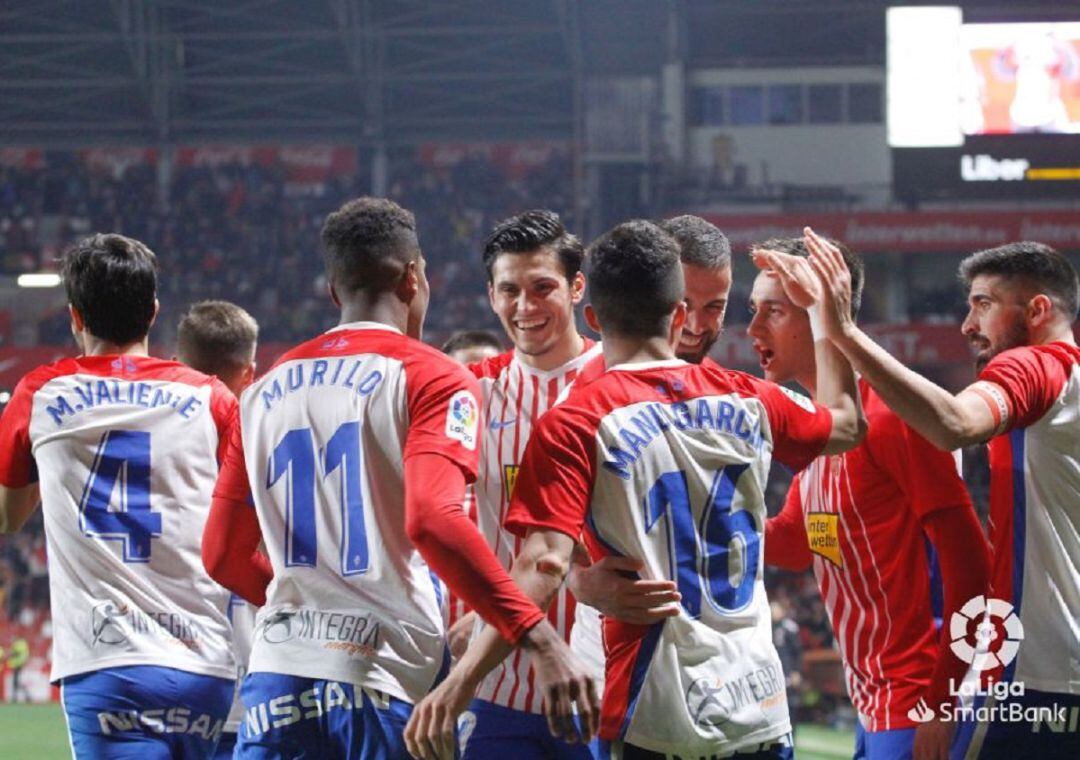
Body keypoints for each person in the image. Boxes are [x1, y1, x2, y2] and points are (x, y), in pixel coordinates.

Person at [406, 219, 866, 759]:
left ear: (594, 316)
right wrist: (829, 320)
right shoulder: (752, 398)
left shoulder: (576, 419)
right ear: (675, 314)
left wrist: (457, 685)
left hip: (653, 713)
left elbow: (543, 566)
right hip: (757, 707)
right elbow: (847, 424)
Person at [202, 197, 597, 759]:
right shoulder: (431, 374)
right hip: (379, 672)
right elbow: (432, 519)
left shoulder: (263, 389)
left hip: (276, 677)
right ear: (414, 278)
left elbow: (220, 553)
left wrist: (310, 609)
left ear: (335, 290)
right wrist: (535, 633)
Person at [760, 237, 1079, 759]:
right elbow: (795, 544)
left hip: (998, 683)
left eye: (983, 304)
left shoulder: (1035, 369)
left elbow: (955, 425)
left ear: (1038, 310)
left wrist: (841, 331)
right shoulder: (824, 435)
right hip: (906, 700)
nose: (966, 325)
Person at [750, 233, 991, 760]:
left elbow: (972, 564)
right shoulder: (820, 430)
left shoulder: (891, 418)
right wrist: (700, 517)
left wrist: (943, 704)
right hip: (873, 706)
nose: (752, 330)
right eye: (752, 311)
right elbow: (795, 543)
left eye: (774, 311)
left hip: (919, 706)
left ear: (819, 315)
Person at [0, 234, 238, 757]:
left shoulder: (40, 394)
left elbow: (8, 517)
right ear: (153, 313)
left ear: (75, 318)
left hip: (107, 666)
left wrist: (58, 460)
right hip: (205, 667)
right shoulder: (210, 398)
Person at [446, 209, 606, 760]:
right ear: (491, 296)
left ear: (577, 287)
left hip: (602, 682)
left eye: (543, 288)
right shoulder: (469, 395)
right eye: (509, 290)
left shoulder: (619, 382)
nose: (525, 307)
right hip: (498, 689)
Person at [565, 214, 735, 695]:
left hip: (721, 678)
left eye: (716, 306)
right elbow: (548, 545)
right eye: (687, 304)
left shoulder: (730, 397)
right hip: (620, 674)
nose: (698, 326)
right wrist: (580, 583)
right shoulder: (584, 398)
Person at [175, 300, 260, 760]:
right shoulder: (273, 446)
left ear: (176, 365)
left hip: (169, 675)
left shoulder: (158, 459)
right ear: (249, 373)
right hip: (253, 687)